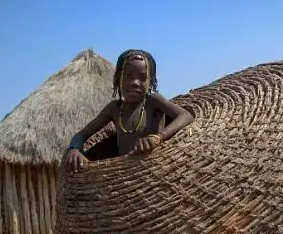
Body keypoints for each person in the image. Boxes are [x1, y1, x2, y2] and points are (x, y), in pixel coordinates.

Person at [65, 49, 194, 171]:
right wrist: (74, 149)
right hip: (126, 173)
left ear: (150, 81)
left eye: (143, 78)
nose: (135, 83)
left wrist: (158, 137)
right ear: (118, 79)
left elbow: (186, 115)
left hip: (153, 168)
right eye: (128, 76)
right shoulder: (114, 108)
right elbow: (81, 135)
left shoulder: (153, 101)